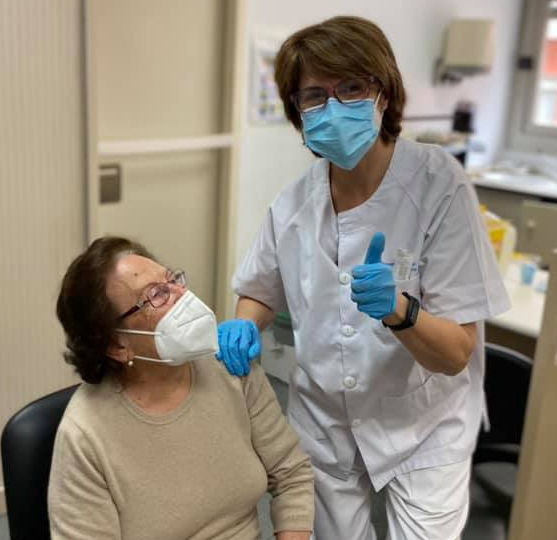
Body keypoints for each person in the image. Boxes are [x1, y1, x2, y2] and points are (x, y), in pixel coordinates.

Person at [215, 16, 510, 540]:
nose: (332, 107)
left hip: (423, 423)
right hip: (324, 418)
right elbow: (258, 287)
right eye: (313, 96)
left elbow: (455, 354)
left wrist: (401, 311)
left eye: (350, 87)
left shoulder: (438, 184)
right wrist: (245, 323)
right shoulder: (294, 203)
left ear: (383, 91)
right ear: (297, 112)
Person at [49, 237, 314, 540]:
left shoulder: (230, 365)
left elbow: (292, 475)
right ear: (116, 345)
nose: (181, 295)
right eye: (156, 295)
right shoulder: (84, 434)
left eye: (172, 279)